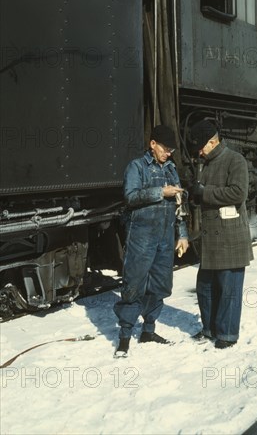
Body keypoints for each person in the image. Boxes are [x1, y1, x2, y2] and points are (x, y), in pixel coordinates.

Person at [114, 125, 189, 357]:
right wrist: (160, 192)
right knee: (133, 286)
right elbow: (130, 197)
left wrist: (183, 234)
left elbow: (179, 205)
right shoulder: (136, 167)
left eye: (172, 150)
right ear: (153, 144)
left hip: (165, 238)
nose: (169, 154)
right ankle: (125, 337)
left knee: (159, 286)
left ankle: (148, 330)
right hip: (141, 238)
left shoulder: (171, 169)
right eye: (166, 149)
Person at [189, 120, 253, 349]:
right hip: (211, 238)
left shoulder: (235, 160)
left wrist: (205, 193)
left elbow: (238, 193)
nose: (199, 151)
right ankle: (209, 329)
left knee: (229, 289)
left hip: (229, 236)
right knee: (205, 287)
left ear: (213, 141)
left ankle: (227, 334)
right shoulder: (205, 162)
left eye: (202, 146)